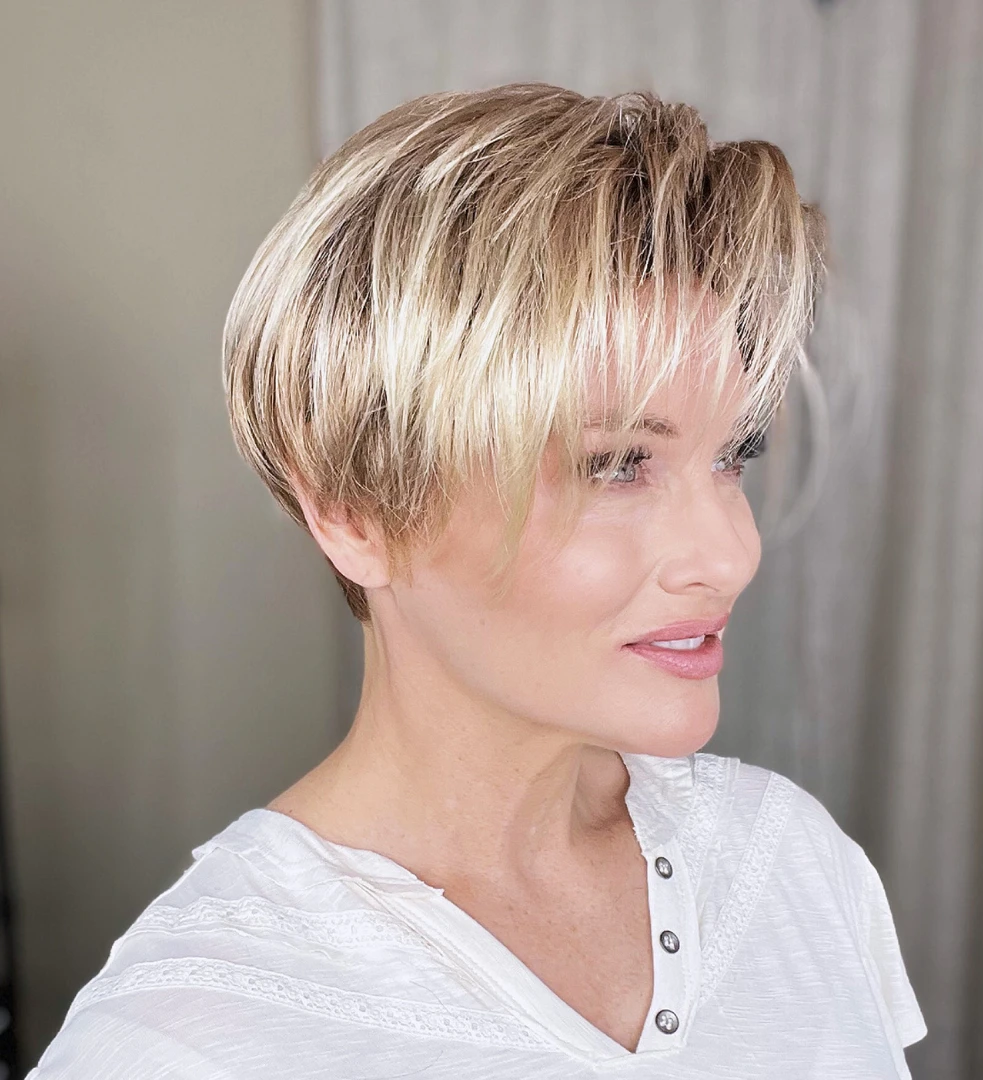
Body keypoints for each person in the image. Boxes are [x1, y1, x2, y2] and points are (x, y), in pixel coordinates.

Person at [29, 83, 926, 1078]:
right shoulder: (182, 1041)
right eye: (616, 466)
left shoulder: (788, 863)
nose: (728, 555)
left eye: (732, 455)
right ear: (356, 511)